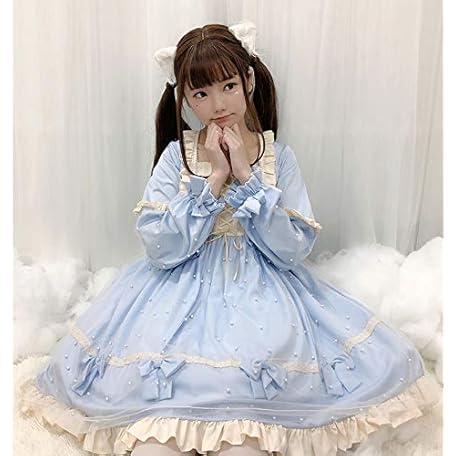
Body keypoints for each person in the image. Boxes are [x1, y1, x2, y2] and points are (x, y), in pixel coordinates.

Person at [20, 20, 440, 456]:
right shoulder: (177, 156)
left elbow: (292, 250)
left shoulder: (278, 157)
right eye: (200, 94)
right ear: (185, 100)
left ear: (248, 81)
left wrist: (246, 175)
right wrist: (215, 179)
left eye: (228, 86)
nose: (217, 104)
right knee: (155, 437)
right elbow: (161, 248)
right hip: (176, 293)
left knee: (247, 434)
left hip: (262, 292)